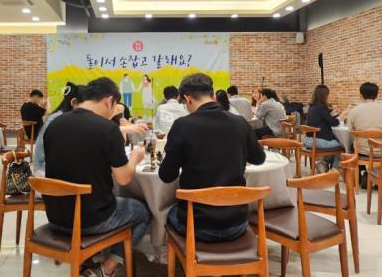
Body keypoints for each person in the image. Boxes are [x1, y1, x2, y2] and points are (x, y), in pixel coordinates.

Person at [43, 77, 150, 277]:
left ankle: (89, 258)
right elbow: (123, 179)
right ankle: (108, 267)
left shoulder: (55, 123)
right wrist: (136, 158)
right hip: (91, 220)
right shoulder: (107, 129)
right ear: (109, 101)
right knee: (142, 211)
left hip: (55, 216)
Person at [160, 73, 266, 242]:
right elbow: (259, 159)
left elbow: (166, 175)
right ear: (213, 95)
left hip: (197, 226)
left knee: (167, 210)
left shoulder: (182, 125)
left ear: (187, 99)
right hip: (236, 223)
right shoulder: (239, 122)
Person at [32, 83, 85, 176]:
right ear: (74, 102)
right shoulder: (62, 119)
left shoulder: (59, 115)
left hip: (42, 166)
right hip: (45, 171)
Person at [345, 82, 382, 155]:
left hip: (361, 151)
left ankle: (359, 162)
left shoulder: (353, 111)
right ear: (376, 95)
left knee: (350, 146)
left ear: (361, 95)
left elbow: (350, 130)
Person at [305, 85, 342, 172]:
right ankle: (334, 169)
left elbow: (324, 118)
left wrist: (332, 114)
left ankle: (323, 163)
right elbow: (334, 123)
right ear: (324, 96)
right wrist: (342, 116)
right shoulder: (321, 107)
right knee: (343, 145)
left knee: (336, 143)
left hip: (309, 140)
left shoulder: (312, 107)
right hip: (318, 141)